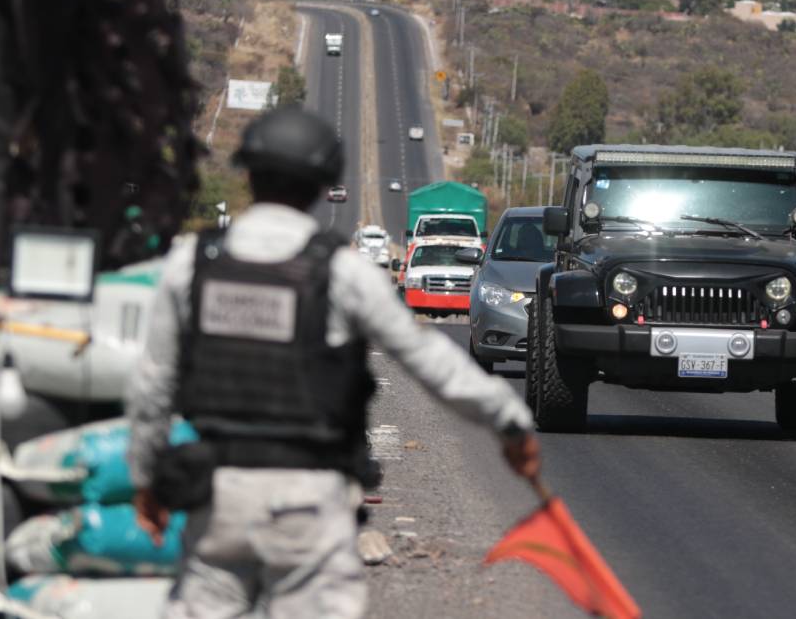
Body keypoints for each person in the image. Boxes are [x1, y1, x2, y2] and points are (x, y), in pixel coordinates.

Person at [126, 107, 539, 619]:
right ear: (323, 185)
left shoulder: (192, 263)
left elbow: (152, 388)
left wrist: (145, 480)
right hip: (309, 504)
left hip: (218, 498)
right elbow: (429, 359)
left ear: (249, 174)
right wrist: (509, 421)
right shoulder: (343, 273)